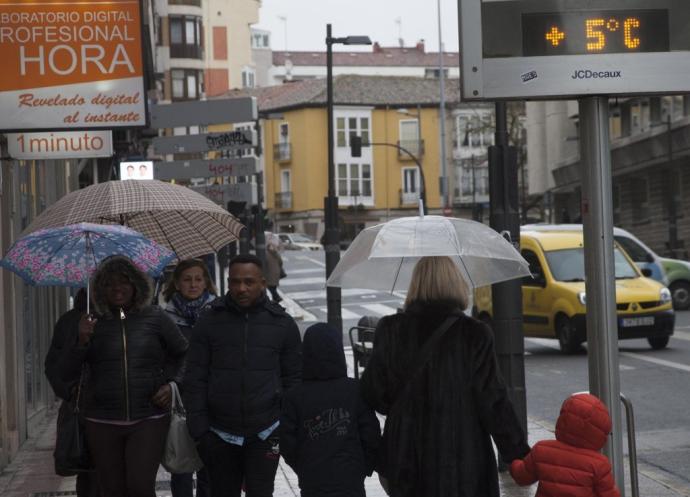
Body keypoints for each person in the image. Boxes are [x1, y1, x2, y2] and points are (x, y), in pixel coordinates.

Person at [360, 256, 530, 497]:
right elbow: (493, 402)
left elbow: (375, 395)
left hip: (407, 459)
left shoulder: (391, 330)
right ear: (456, 283)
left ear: (415, 284)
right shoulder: (474, 334)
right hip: (462, 461)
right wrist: (518, 454)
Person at [60, 256, 188, 497]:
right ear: (99, 289)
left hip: (149, 417)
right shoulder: (90, 322)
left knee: (140, 486)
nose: (117, 288)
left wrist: (173, 385)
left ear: (136, 285)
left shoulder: (155, 317)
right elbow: (66, 372)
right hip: (101, 421)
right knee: (113, 489)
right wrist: (81, 341)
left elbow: (185, 354)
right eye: (109, 283)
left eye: (124, 281)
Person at [184, 254, 302, 497]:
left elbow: (294, 380)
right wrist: (200, 431)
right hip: (218, 433)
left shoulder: (282, 323)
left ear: (262, 283)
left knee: (261, 492)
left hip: (267, 432)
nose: (241, 288)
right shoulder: (209, 321)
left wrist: (284, 425)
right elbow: (195, 377)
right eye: (235, 282)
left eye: (248, 282)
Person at [281, 322, 380, 497]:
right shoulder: (355, 390)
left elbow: (287, 443)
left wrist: (303, 468)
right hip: (350, 478)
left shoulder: (295, 396)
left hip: (313, 480)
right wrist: (363, 467)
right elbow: (370, 434)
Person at [162, 259, 218, 497]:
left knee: (210, 466)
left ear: (206, 282)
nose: (193, 284)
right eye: (187, 279)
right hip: (181, 401)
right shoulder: (165, 318)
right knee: (182, 465)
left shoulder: (219, 313)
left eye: (198, 279)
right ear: (176, 283)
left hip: (212, 400)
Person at [510, 393, 621, 497]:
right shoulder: (599, 465)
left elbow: (522, 477)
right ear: (600, 433)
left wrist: (514, 463)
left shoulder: (541, 450)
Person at [45, 288, 100, 497]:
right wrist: (70, 392)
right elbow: (52, 366)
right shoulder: (69, 321)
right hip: (84, 408)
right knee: (89, 473)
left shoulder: (122, 316)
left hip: (118, 409)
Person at [264, 237, 284, 303]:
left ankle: (277, 298)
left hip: (269, 274)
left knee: (271, 287)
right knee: (273, 287)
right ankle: (275, 300)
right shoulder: (276, 253)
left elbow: (264, 263)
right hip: (276, 273)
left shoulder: (265, 254)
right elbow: (281, 262)